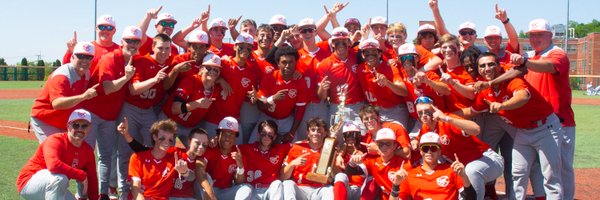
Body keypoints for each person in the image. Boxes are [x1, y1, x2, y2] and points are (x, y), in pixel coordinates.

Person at [463, 51, 564, 199]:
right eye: (482, 66)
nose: (487, 68)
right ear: (479, 70)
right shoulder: (486, 91)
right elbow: (472, 111)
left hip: (545, 128)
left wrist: (502, 106)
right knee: (518, 173)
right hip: (523, 131)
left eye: (491, 64)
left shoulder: (511, 80)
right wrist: (443, 115)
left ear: (499, 66)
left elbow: (523, 96)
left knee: (551, 176)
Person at [84, 26, 142, 198]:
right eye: (129, 40)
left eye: (136, 41)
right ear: (122, 42)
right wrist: (126, 77)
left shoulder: (135, 60)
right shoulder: (110, 58)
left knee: (106, 157)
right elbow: (108, 88)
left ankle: (102, 193)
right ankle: (83, 194)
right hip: (93, 112)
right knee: (86, 155)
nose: (132, 44)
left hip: (110, 117)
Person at [415, 96, 504, 200]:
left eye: (427, 111)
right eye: (420, 112)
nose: (424, 115)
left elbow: (476, 129)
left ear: (435, 109)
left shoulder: (446, 121)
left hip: (486, 159)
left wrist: (448, 119)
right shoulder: (426, 128)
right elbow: (418, 139)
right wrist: (414, 141)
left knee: (470, 170)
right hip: (462, 166)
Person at [17, 109, 99, 200]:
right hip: (29, 183)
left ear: (89, 128)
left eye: (84, 126)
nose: (79, 129)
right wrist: (81, 174)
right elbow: (53, 165)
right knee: (60, 178)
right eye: (76, 125)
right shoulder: (55, 140)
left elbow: (92, 180)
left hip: (54, 186)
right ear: (68, 126)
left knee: (60, 180)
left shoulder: (87, 150)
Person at [30, 42, 98, 144]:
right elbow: (57, 104)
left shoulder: (86, 73)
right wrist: (84, 96)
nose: (84, 60)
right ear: (72, 57)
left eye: (88, 57)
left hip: (65, 121)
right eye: (80, 56)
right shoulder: (62, 76)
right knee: (53, 149)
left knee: (67, 152)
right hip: (46, 119)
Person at [204, 33, 260, 142]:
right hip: (214, 118)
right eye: (241, 46)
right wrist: (221, 80)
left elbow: (248, 98)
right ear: (234, 46)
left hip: (234, 119)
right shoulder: (223, 63)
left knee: (236, 151)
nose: (245, 50)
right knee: (210, 151)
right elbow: (204, 76)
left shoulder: (251, 74)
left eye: (249, 48)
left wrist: (253, 98)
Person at [249, 46, 308, 144]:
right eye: (284, 62)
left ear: (296, 63)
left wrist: (291, 133)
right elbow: (260, 106)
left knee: (293, 147)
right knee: (252, 143)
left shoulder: (300, 81)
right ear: (278, 63)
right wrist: (273, 98)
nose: (288, 66)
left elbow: (300, 110)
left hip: (287, 119)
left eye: (291, 62)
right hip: (267, 117)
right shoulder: (269, 77)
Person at [281, 117, 348, 200]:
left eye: (319, 130)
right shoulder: (297, 147)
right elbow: (282, 177)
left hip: (319, 189)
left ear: (325, 133)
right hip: (300, 188)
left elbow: (336, 175)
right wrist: (292, 164)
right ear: (308, 133)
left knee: (329, 189)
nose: (315, 133)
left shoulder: (329, 148)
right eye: (313, 130)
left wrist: (333, 161)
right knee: (288, 184)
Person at [160, 53, 222, 143]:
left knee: (196, 153)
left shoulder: (217, 89)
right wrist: (197, 104)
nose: (212, 71)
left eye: (216, 70)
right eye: (208, 68)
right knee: (165, 151)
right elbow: (175, 108)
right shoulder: (191, 81)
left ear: (219, 73)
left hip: (189, 127)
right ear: (201, 69)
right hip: (170, 120)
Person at [128, 119, 194, 199]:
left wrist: (185, 172)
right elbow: (136, 189)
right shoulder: (137, 157)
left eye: (170, 139)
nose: (166, 142)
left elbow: (192, 177)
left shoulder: (175, 155)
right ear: (154, 137)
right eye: (162, 138)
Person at [398, 132, 475, 200]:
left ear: (439, 151)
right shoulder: (410, 175)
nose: (429, 152)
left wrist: (464, 176)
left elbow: (471, 198)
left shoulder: (452, 170)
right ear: (420, 151)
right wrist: (395, 185)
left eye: (433, 148)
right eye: (425, 148)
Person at [317, 27, 365, 134]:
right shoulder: (325, 64)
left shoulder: (356, 55)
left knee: (362, 137)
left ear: (349, 42)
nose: (341, 45)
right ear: (332, 43)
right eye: (337, 42)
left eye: (344, 42)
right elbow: (322, 97)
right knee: (335, 138)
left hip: (359, 107)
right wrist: (322, 89)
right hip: (337, 109)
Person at [356, 39, 409, 126]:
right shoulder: (360, 69)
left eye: (374, 51)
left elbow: (404, 92)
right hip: (374, 112)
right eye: (367, 52)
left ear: (380, 54)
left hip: (395, 110)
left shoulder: (390, 67)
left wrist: (387, 82)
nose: (370, 54)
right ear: (362, 55)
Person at [346, 127, 410, 200]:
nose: (384, 147)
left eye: (388, 144)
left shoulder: (404, 165)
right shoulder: (373, 162)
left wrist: (396, 185)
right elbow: (349, 171)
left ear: (394, 146)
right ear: (376, 145)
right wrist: (352, 162)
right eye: (381, 144)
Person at [238, 120, 291, 200]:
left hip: (270, 191)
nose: (266, 137)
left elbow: (301, 146)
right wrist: (214, 141)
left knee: (277, 183)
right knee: (245, 190)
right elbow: (227, 146)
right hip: (252, 191)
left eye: (270, 135)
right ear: (258, 135)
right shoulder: (247, 149)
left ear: (275, 137)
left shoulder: (280, 150)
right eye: (263, 134)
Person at [203, 117, 253, 200]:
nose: (227, 138)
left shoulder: (238, 154)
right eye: (225, 134)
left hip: (224, 192)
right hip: (206, 191)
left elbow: (239, 182)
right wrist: (210, 193)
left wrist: (240, 165)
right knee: (205, 178)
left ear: (235, 138)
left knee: (247, 188)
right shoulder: (210, 148)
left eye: (231, 134)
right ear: (218, 134)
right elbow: (199, 169)